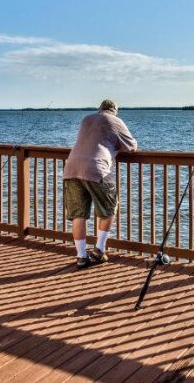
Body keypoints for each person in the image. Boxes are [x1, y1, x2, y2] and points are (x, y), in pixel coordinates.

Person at [63, 99, 138, 268]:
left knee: (78, 214)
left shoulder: (86, 119)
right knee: (109, 208)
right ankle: (99, 250)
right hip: (97, 170)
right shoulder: (116, 121)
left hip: (72, 169)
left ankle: (81, 257)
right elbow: (132, 147)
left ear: (99, 109)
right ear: (115, 111)